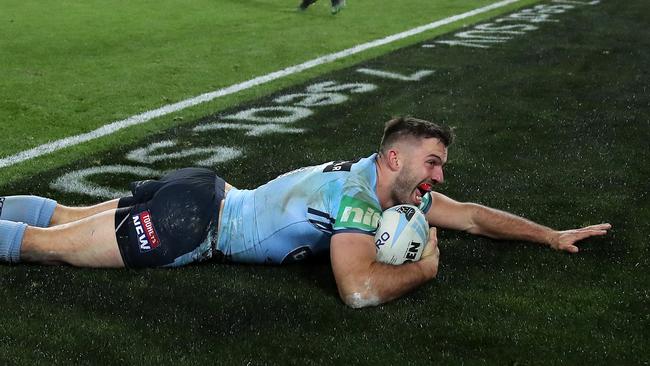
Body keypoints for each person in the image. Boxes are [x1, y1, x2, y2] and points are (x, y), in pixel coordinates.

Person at [0, 117, 610, 308]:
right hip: (195, 223)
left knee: (59, 216)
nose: (438, 176)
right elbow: (358, 290)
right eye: (431, 163)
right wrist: (423, 270)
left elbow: (473, 216)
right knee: (40, 245)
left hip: (204, 190)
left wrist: (550, 235)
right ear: (394, 158)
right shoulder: (356, 203)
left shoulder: (380, 182)